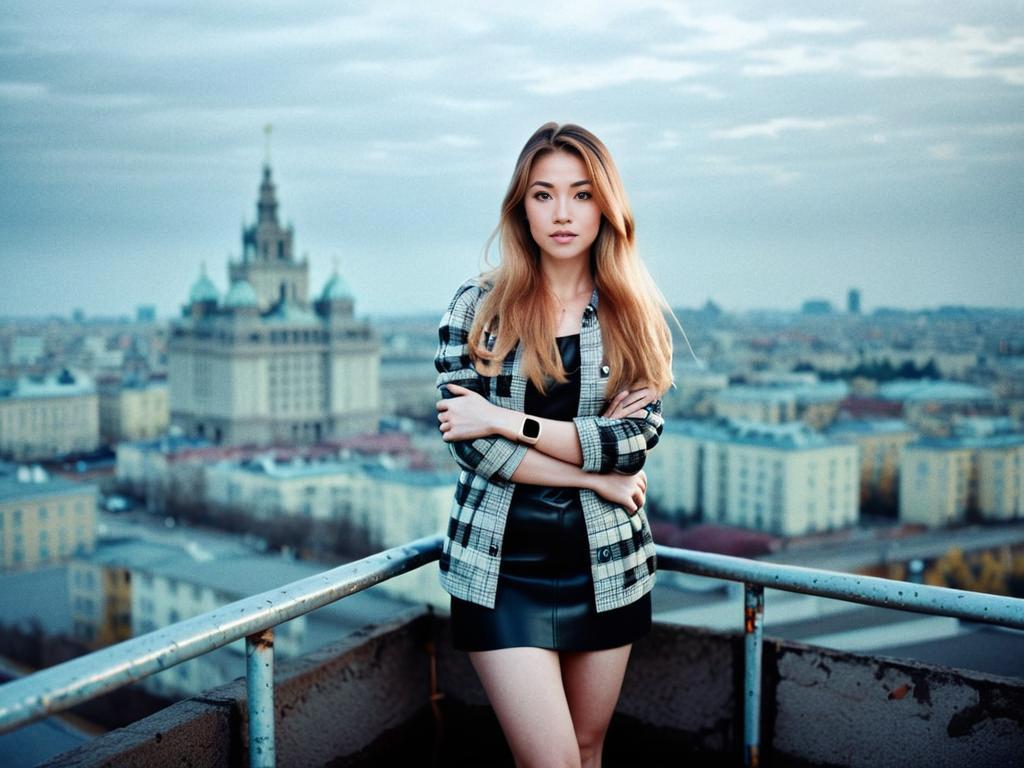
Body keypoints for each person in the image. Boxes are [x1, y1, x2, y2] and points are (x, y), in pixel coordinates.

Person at [434, 121, 674, 768]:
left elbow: (635, 442)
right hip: (499, 565)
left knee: (589, 751)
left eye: (581, 194)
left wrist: (509, 420)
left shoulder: (633, 312)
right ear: (522, 207)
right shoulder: (477, 307)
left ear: (607, 205)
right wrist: (594, 476)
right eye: (543, 195)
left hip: (607, 563)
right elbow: (470, 445)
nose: (562, 213)